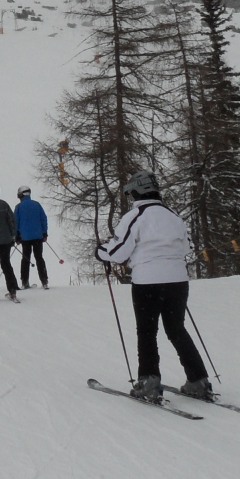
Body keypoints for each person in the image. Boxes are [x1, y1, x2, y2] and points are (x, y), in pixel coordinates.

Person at [95, 171, 211, 401]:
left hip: (147, 282)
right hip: (177, 280)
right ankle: (198, 379)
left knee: (147, 331)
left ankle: (149, 382)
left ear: (137, 192)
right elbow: (187, 246)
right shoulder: (172, 215)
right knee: (177, 329)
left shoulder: (135, 216)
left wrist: (101, 252)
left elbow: (118, 253)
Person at [14, 185, 50, 289]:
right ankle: (44, 281)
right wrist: (44, 233)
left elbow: (15, 222)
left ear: (20, 195)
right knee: (39, 258)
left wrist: (16, 236)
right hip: (38, 236)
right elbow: (43, 219)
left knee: (25, 259)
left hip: (25, 238)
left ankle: (25, 281)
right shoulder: (36, 204)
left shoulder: (19, 207)